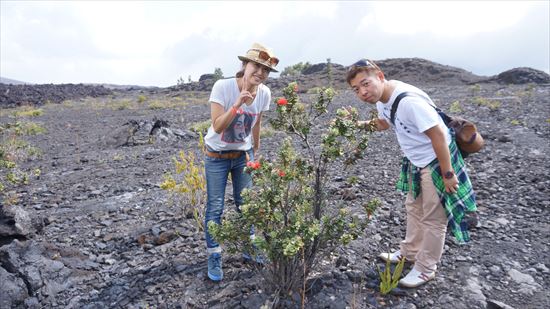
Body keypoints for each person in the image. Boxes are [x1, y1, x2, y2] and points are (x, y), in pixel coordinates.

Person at [346, 59, 476, 288]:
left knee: (434, 219)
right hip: (416, 162)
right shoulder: (382, 99)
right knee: (414, 208)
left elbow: (437, 136)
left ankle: (426, 268)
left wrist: (447, 174)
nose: (363, 92)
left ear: (380, 76)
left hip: (436, 161)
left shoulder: (408, 102)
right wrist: (357, 124)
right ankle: (410, 252)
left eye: (365, 84)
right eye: (357, 89)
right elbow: (384, 124)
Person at [202, 42, 279, 281]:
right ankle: (214, 255)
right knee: (215, 207)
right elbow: (217, 125)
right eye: (257, 66)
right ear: (244, 65)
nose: (260, 73)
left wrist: (255, 149)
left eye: (266, 70)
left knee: (246, 205)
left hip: (243, 157)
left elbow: (256, 122)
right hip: (216, 156)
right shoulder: (222, 87)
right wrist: (237, 104)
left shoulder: (264, 93)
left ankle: (249, 246)